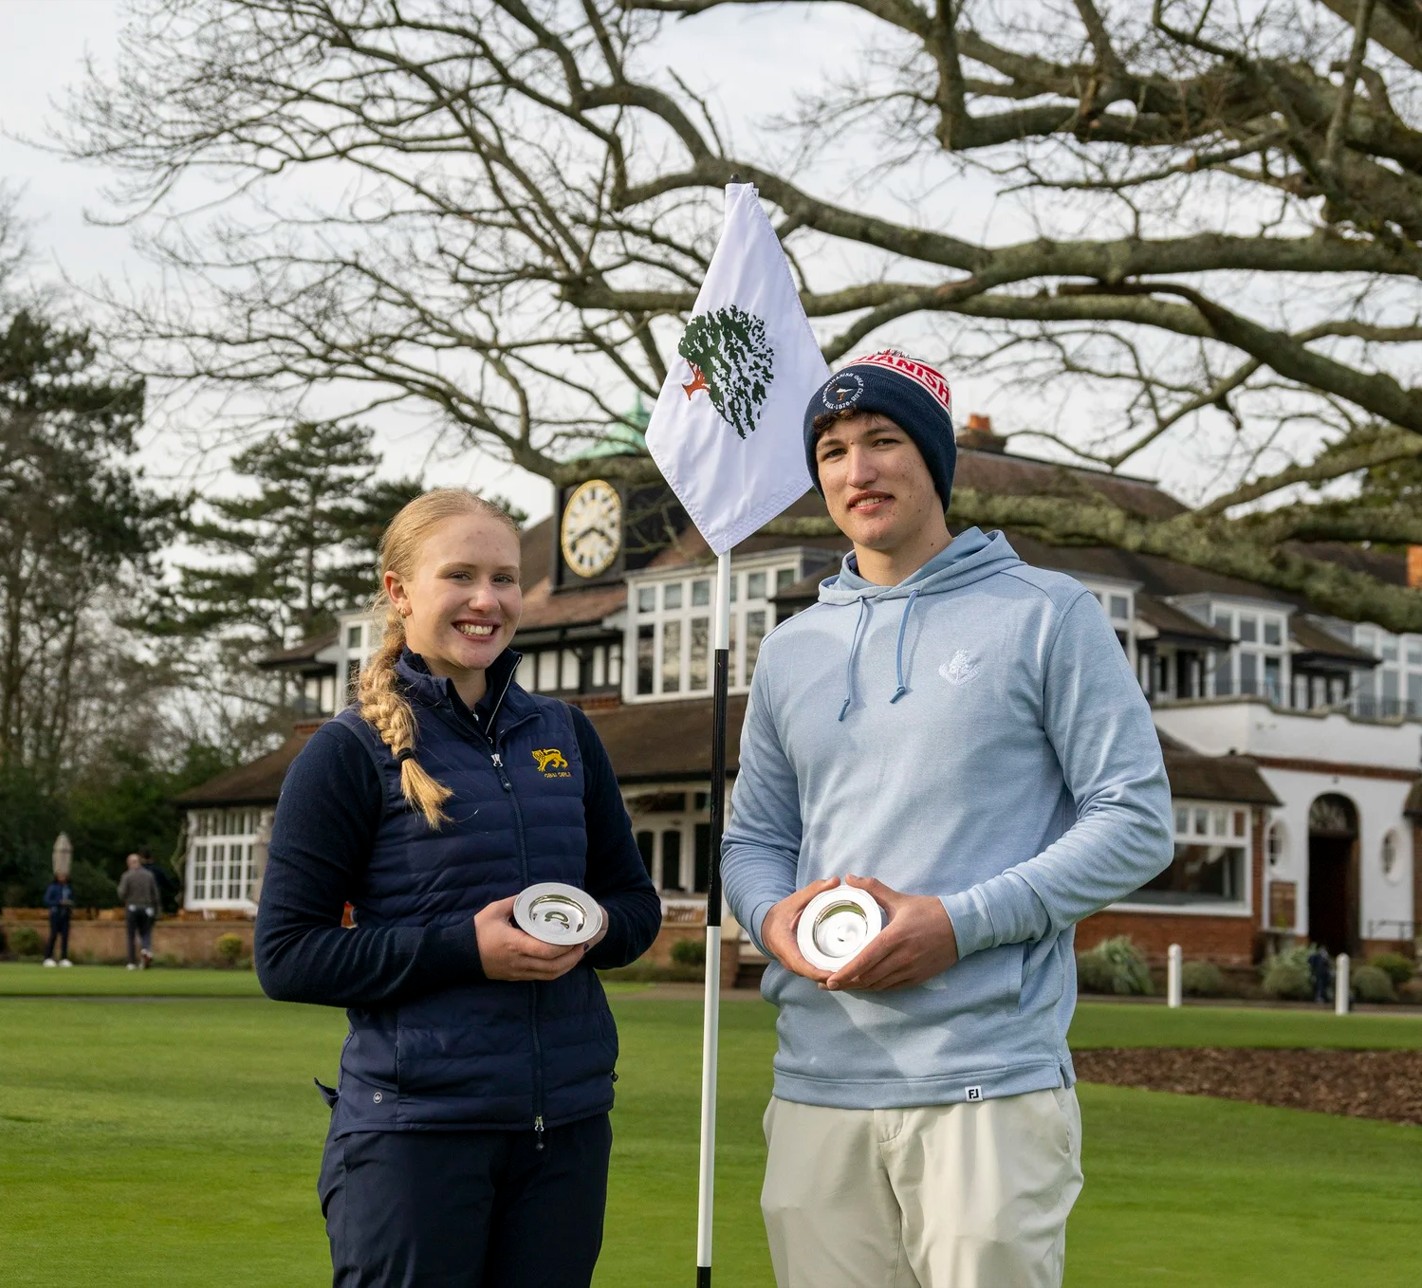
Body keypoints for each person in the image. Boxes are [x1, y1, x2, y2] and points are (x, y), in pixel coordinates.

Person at [722, 350, 1174, 1288]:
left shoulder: (1047, 613)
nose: (858, 469)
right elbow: (754, 840)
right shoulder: (791, 648)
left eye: (883, 440)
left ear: (934, 457)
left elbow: (1134, 820)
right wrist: (774, 921)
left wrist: (958, 925)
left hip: (988, 1084)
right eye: (833, 451)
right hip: (818, 1082)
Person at [255, 488, 661, 1288]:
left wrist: (585, 932)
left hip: (566, 1126)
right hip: (415, 1134)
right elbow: (288, 955)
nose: (487, 600)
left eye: (504, 579)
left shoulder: (567, 734)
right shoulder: (346, 752)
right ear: (400, 591)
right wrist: (466, 950)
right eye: (461, 576)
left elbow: (635, 907)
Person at [117, 852, 161, 970]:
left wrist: (126, 899)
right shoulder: (149, 875)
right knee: (146, 932)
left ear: (129, 863)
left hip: (132, 907)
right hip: (147, 908)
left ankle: (131, 962)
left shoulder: (127, 876)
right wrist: (157, 909)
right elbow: (155, 894)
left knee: (131, 935)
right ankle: (146, 950)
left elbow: (121, 893)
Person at [43, 872, 75, 967]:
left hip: (65, 915)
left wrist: (70, 904)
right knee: (53, 935)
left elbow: (72, 899)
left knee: (65, 937)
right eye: (61, 876)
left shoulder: (68, 888)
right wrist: (58, 902)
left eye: (64, 876)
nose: (63, 878)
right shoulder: (53, 887)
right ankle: (47, 957)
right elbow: (47, 900)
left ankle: (64, 958)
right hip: (55, 914)